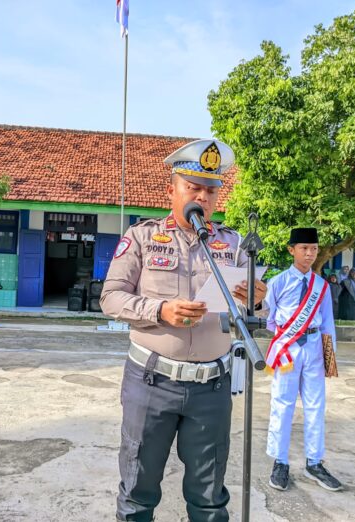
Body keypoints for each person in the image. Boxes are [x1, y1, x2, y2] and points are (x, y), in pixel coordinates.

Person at [100, 139, 267, 522]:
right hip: (151, 384)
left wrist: (258, 299)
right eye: (193, 187)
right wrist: (160, 310)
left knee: (209, 497)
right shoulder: (142, 238)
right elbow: (111, 298)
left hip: (211, 387)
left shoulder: (233, 244)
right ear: (171, 190)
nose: (203, 197)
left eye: (211, 190)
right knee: (138, 492)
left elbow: (257, 309)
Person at [264, 227, 341, 492]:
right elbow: (269, 319)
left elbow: (328, 323)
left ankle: (314, 462)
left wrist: (330, 359)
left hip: (314, 348)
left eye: (314, 249)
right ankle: (280, 462)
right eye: (304, 248)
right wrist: (284, 339)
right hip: (287, 349)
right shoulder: (278, 282)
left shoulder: (321, 286)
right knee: (282, 404)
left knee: (315, 406)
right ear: (291, 250)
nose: (309, 254)